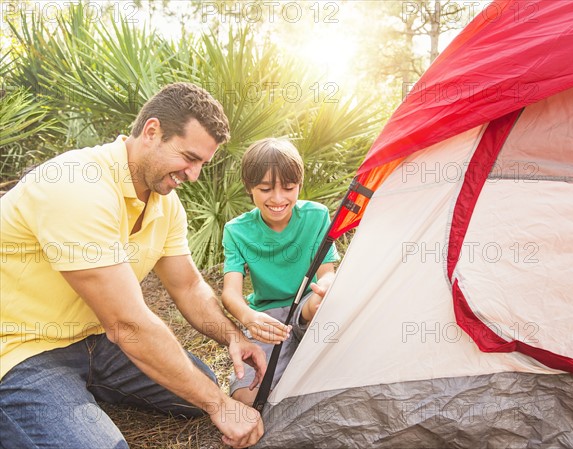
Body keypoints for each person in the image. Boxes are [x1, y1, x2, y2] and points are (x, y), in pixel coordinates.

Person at [0, 82, 266, 449]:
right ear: (152, 132)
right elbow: (127, 325)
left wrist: (233, 336)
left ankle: (79, 386)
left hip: (93, 340)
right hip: (20, 349)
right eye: (188, 157)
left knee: (197, 385)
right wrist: (220, 405)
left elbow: (188, 285)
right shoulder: (77, 185)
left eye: (202, 163)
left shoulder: (164, 200)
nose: (194, 175)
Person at [221, 138, 338, 405]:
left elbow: (326, 273)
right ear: (250, 187)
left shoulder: (316, 216)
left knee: (318, 305)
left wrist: (327, 286)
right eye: (265, 189)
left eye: (288, 188)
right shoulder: (236, 230)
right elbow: (231, 294)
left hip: (308, 307)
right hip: (267, 319)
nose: (277, 199)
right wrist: (249, 317)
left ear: (299, 185)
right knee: (246, 398)